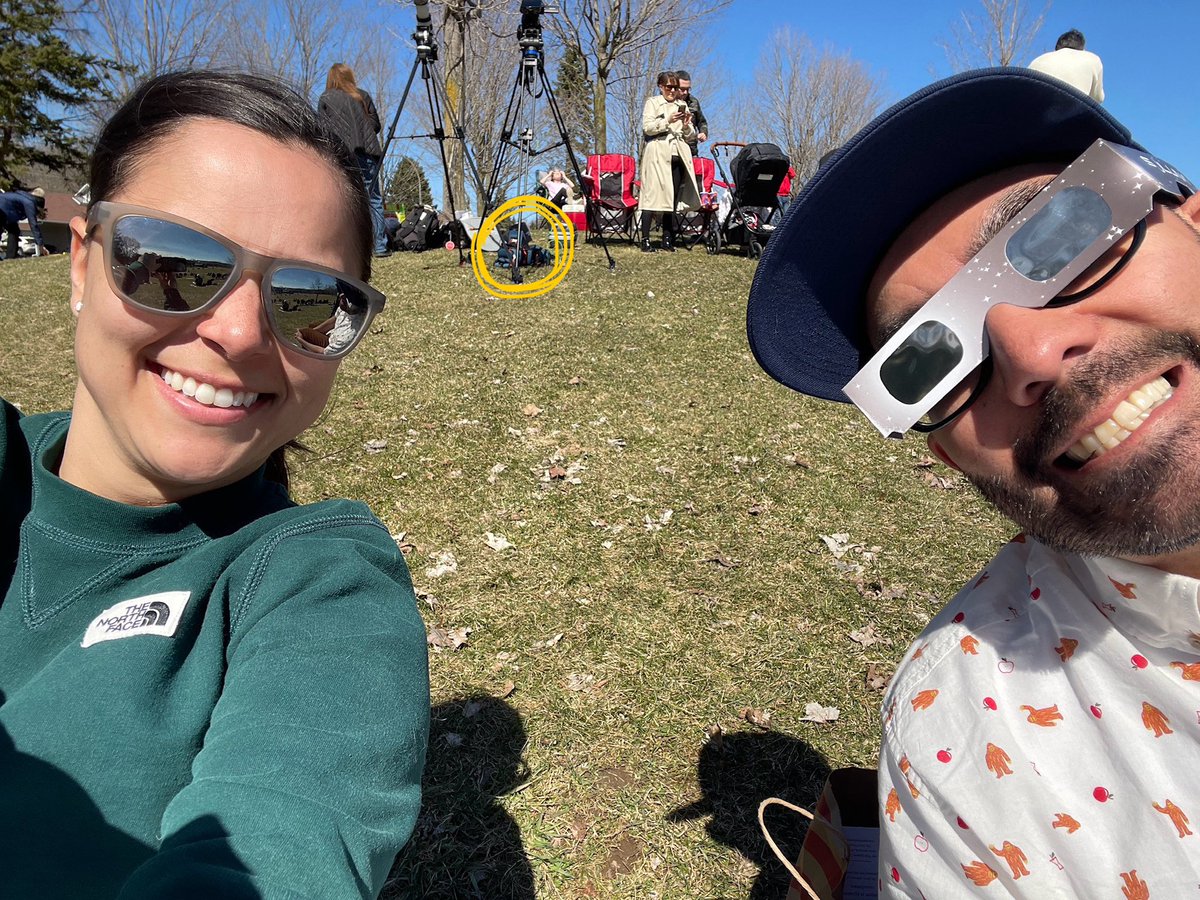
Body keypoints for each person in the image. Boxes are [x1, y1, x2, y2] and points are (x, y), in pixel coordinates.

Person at [747, 67, 1200, 897]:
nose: (1028, 354)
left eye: (1065, 238)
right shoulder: (969, 756)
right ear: (949, 455)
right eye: (930, 361)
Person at [0, 70, 429, 898]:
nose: (236, 333)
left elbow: (287, 836)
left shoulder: (313, 583)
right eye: (175, 260)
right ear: (84, 262)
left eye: (309, 301)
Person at [318, 63, 390, 258]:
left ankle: (347, 247)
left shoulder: (327, 98)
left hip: (343, 153)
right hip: (368, 153)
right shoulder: (362, 96)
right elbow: (375, 125)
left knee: (345, 198)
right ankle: (380, 246)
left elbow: (323, 129)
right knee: (373, 198)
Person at [639, 71, 701, 253]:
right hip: (657, 150)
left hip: (678, 152)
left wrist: (686, 124)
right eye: (669, 87)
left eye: (675, 88)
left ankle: (668, 239)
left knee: (671, 198)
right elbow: (648, 128)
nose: (672, 91)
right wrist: (667, 121)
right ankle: (645, 240)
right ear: (661, 87)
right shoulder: (652, 102)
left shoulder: (682, 105)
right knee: (651, 195)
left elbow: (690, 135)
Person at [1028, 29, 1105, 102]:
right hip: (1070, 111)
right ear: (1083, 49)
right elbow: (1098, 99)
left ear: (1056, 49)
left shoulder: (1037, 60)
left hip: (1034, 110)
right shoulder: (1092, 58)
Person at [0, 186, 46, 258]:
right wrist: (41, 245)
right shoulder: (29, 203)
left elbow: (11, 210)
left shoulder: (23, 198)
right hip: (1, 211)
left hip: (6, 215)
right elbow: (33, 224)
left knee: (14, 230)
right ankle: (11, 256)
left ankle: (11, 256)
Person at [674, 70, 708, 158]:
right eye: (682, 89)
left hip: (690, 150)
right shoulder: (663, 102)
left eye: (688, 89)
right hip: (671, 149)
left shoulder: (694, 102)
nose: (685, 92)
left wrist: (703, 132)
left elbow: (702, 122)